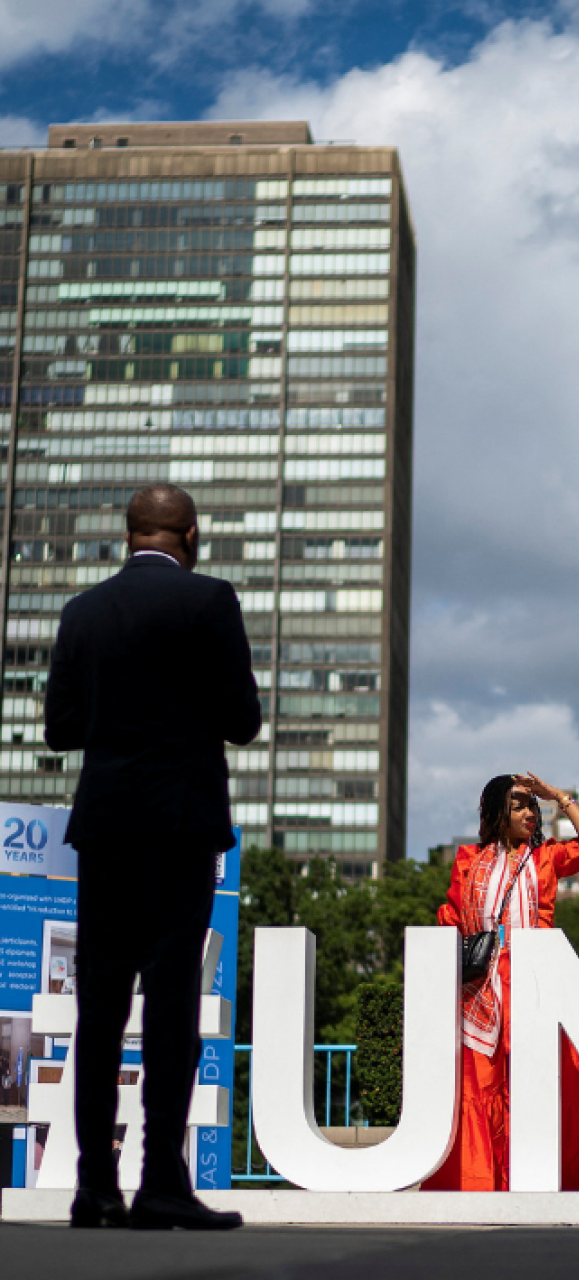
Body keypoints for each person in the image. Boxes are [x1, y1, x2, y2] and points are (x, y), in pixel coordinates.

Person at [44, 484, 261, 1230]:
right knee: (171, 1004)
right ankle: (161, 1185)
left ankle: (93, 1188)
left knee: (98, 1010)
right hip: (180, 823)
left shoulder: (82, 612)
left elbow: (61, 728)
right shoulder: (211, 603)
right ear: (191, 535)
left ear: (128, 534)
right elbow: (242, 721)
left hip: (104, 826)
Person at [423, 772, 579, 1192]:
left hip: (534, 984)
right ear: (496, 812)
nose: (530, 813)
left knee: (547, 1085)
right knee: (481, 1089)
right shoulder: (468, 860)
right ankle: (481, 1187)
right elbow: (450, 919)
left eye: (533, 806)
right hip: (480, 992)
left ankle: (544, 1181)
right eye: (519, 805)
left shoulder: (546, 858)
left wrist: (559, 796)